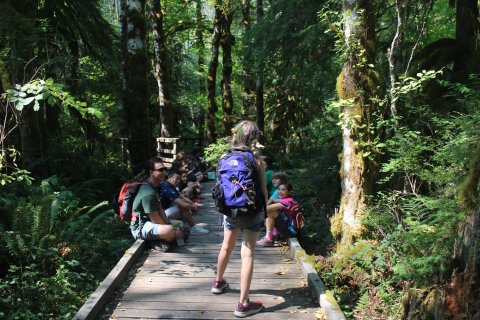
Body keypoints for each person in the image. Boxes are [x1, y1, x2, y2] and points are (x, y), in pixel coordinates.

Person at [211, 120, 268, 318]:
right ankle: (243, 304)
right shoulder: (257, 160)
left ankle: (218, 282)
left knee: (226, 246)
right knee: (248, 253)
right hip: (251, 211)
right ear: (254, 137)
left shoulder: (224, 157)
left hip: (229, 210)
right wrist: (265, 210)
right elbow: (263, 190)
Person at [130, 157, 184, 250]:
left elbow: (160, 209)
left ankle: (161, 241)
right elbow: (155, 219)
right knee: (170, 230)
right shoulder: (148, 193)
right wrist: (172, 229)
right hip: (141, 226)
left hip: (151, 222)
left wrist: (169, 223)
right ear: (151, 172)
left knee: (180, 224)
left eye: (164, 169)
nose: (164, 172)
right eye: (160, 170)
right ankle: (153, 242)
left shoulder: (156, 186)